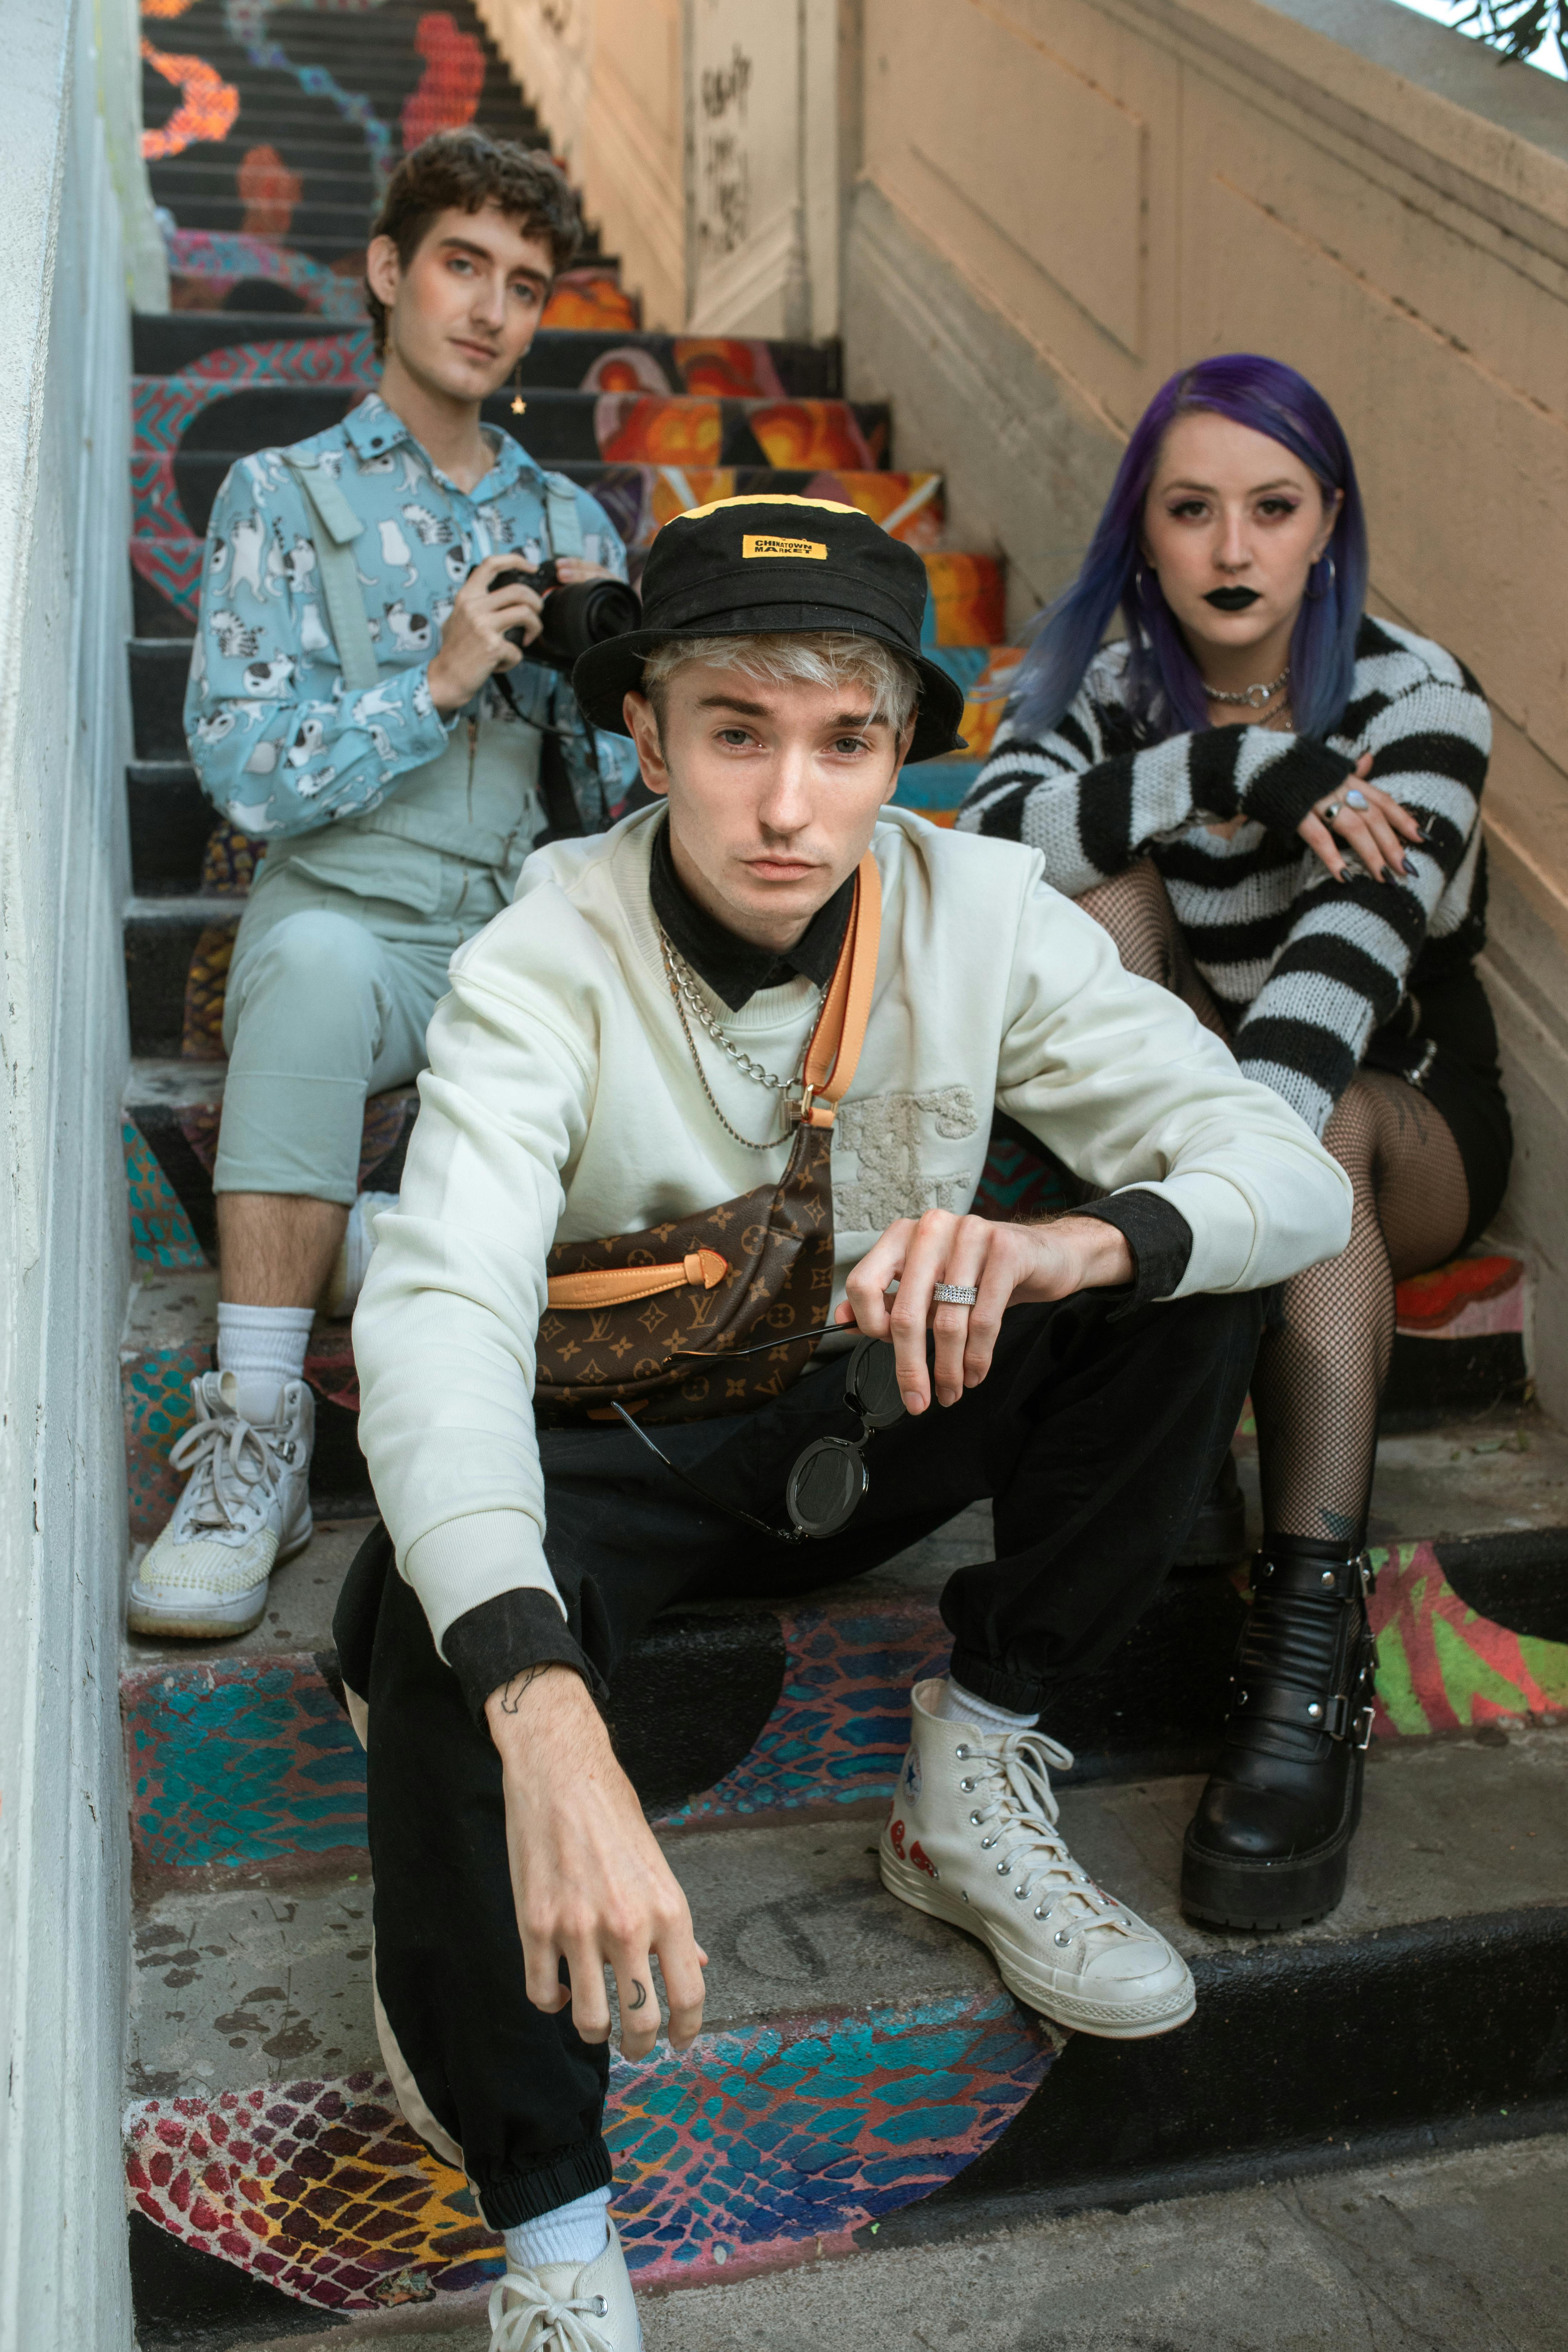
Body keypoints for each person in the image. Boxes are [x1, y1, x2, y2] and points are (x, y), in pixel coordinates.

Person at [339, 491, 1351, 2348]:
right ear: (643, 737)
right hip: (623, 1457)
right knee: (446, 1639)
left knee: (1175, 1259)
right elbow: (431, 1316)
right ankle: (555, 2234)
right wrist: (546, 1699)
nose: (789, 806)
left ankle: (977, 1758)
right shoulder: (537, 960)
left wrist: (1059, 1245)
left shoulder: (977, 910)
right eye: (735, 735)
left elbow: (1283, 1182)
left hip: (874, 1420)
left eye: (844, 743)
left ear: (898, 752)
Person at [959, 353, 1509, 1935]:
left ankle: (1303, 1652)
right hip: (1185, 1106)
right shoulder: (1097, 690)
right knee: (1102, 894)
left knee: (1315, 1122)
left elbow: (1354, 945)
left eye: (1271, 510)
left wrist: (1218, 1204)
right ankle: (1179, 1350)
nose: (1230, 548)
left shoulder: (1419, 694)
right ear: (1143, 526)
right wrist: (1237, 767)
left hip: (1388, 1109)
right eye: (1191, 509)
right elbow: (987, 851)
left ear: (1326, 525)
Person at [128, 130, 639, 1641]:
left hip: (520, 924)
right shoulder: (280, 497)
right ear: (388, 273)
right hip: (349, 905)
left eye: (525, 286)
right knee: (309, 975)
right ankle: (262, 1435)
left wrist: (624, 690)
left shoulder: (573, 527)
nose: (489, 309)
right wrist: (431, 682)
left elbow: (610, 806)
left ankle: (371, 1251)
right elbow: (240, 768)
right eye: (461, 267)